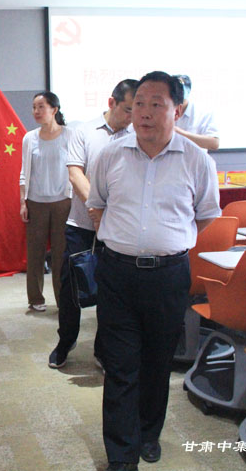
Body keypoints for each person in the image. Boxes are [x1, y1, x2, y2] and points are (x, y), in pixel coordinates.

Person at [86, 71, 220, 471]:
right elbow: (97, 205)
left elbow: (206, 216)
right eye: (139, 104)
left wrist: (169, 242)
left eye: (156, 104)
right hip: (118, 274)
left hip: (168, 276)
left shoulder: (196, 160)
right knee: (120, 364)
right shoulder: (110, 155)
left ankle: (148, 433)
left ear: (177, 110)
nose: (144, 112)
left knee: (157, 362)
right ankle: (121, 455)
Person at [48, 79, 138, 369]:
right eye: (128, 109)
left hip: (120, 231)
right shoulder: (84, 132)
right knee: (71, 287)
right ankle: (65, 342)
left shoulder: (138, 135)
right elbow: (75, 174)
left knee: (112, 292)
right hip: (82, 225)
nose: (133, 117)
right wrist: (99, 210)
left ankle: (102, 349)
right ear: (112, 103)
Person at [19, 92, 73, 312]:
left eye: (41, 106)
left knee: (61, 254)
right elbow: (24, 172)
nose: (36, 111)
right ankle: (35, 298)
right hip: (36, 202)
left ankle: (63, 299)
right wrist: (23, 202)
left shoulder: (70, 135)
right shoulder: (29, 138)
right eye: (34, 107)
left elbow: (78, 168)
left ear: (54, 109)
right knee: (35, 253)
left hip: (63, 202)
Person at [173, 74, 221, 151]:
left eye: (180, 89)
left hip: (194, 158)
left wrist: (178, 132)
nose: (177, 93)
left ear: (188, 90)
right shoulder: (161, 111)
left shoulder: (203, 113)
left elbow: (214, 143)